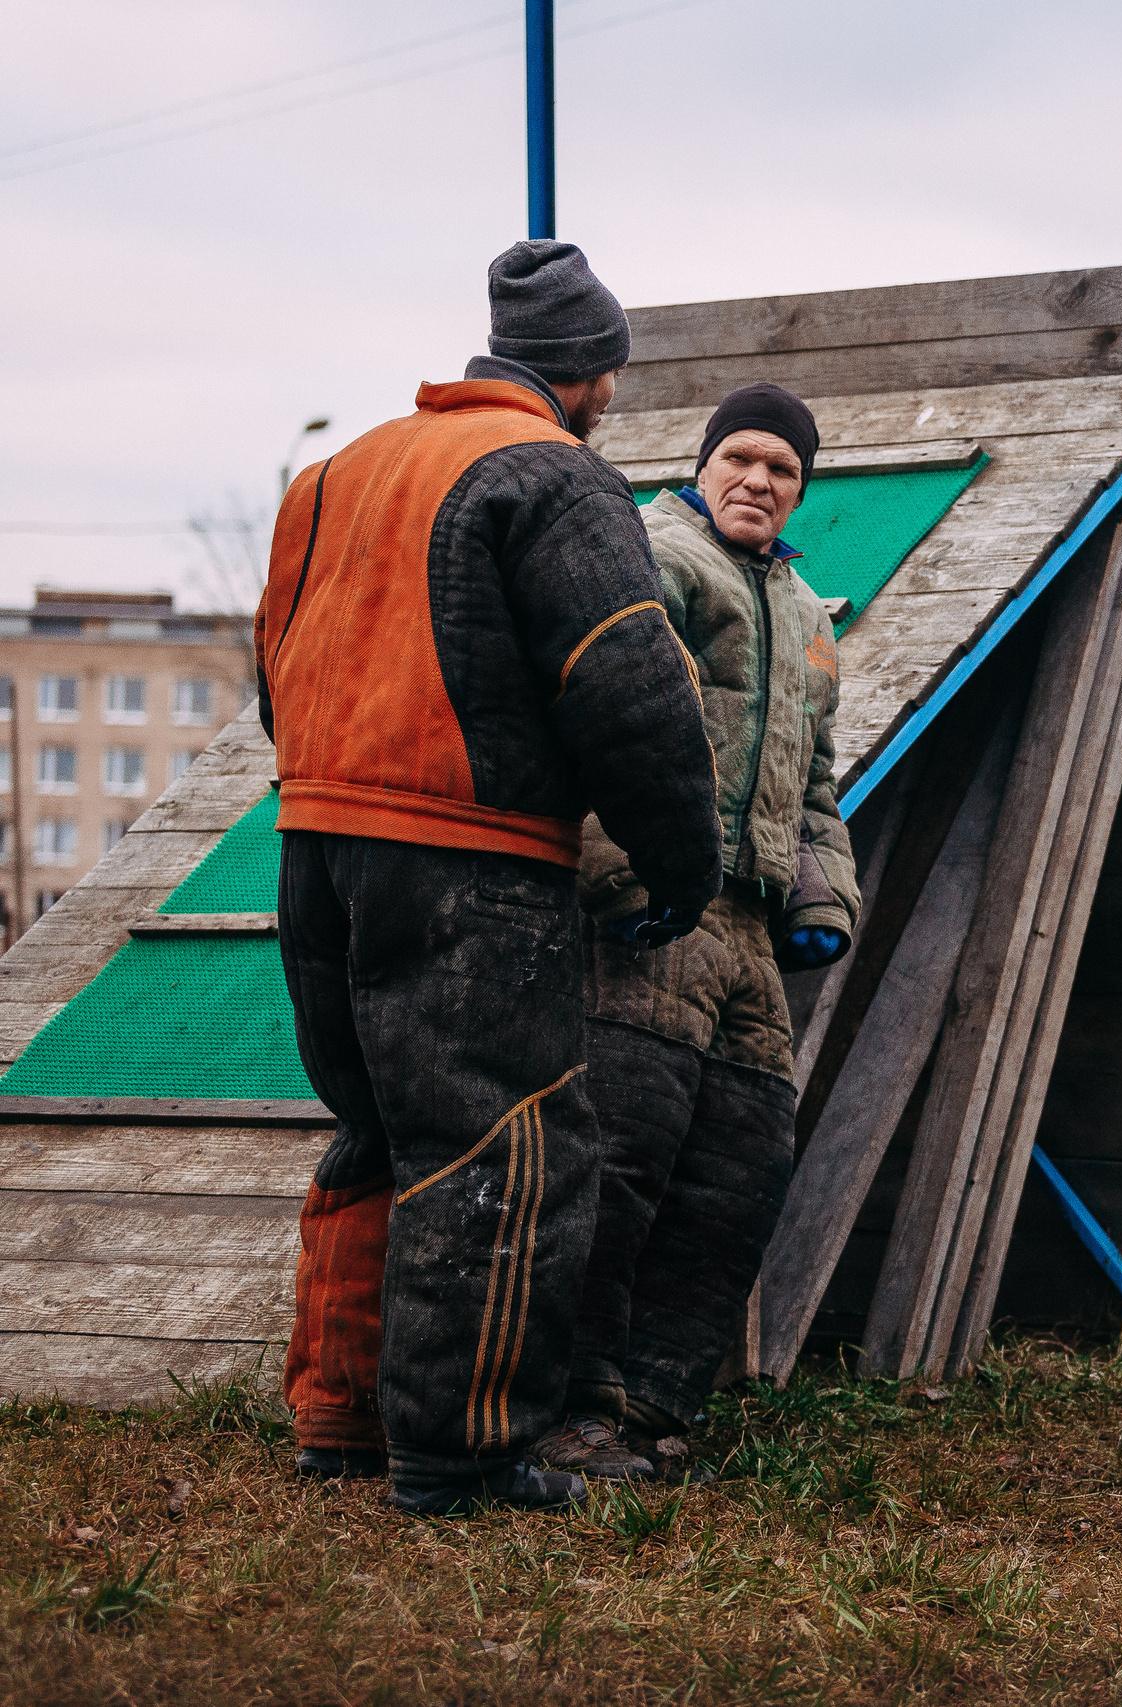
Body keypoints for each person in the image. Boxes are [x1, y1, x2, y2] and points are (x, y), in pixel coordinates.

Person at [265, 240, 724, 1515]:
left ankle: (341, 1415)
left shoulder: (332, 475)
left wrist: (332, 798)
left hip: (316, 842)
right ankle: (458, 1452)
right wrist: (679, 861)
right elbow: (628, 685)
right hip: (473, 858)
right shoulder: (553, 475)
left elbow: (275, 668)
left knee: (375, 1127)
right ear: (593, 373)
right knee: (499, 1144)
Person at [530, 382, 859, 1482]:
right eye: (741, 459)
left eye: (783, 469)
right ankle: (569, 1411)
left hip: (751, 932)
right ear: (703, 463)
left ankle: (649, 1413)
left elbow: (815, 782)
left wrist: (823, 897)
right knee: (619, 1161)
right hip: (657, 910)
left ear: (801, 490)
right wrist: (622, 872)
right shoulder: (653, 559)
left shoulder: (808, 614)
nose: (759, 481)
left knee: (739, 1171)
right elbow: (599, 722)